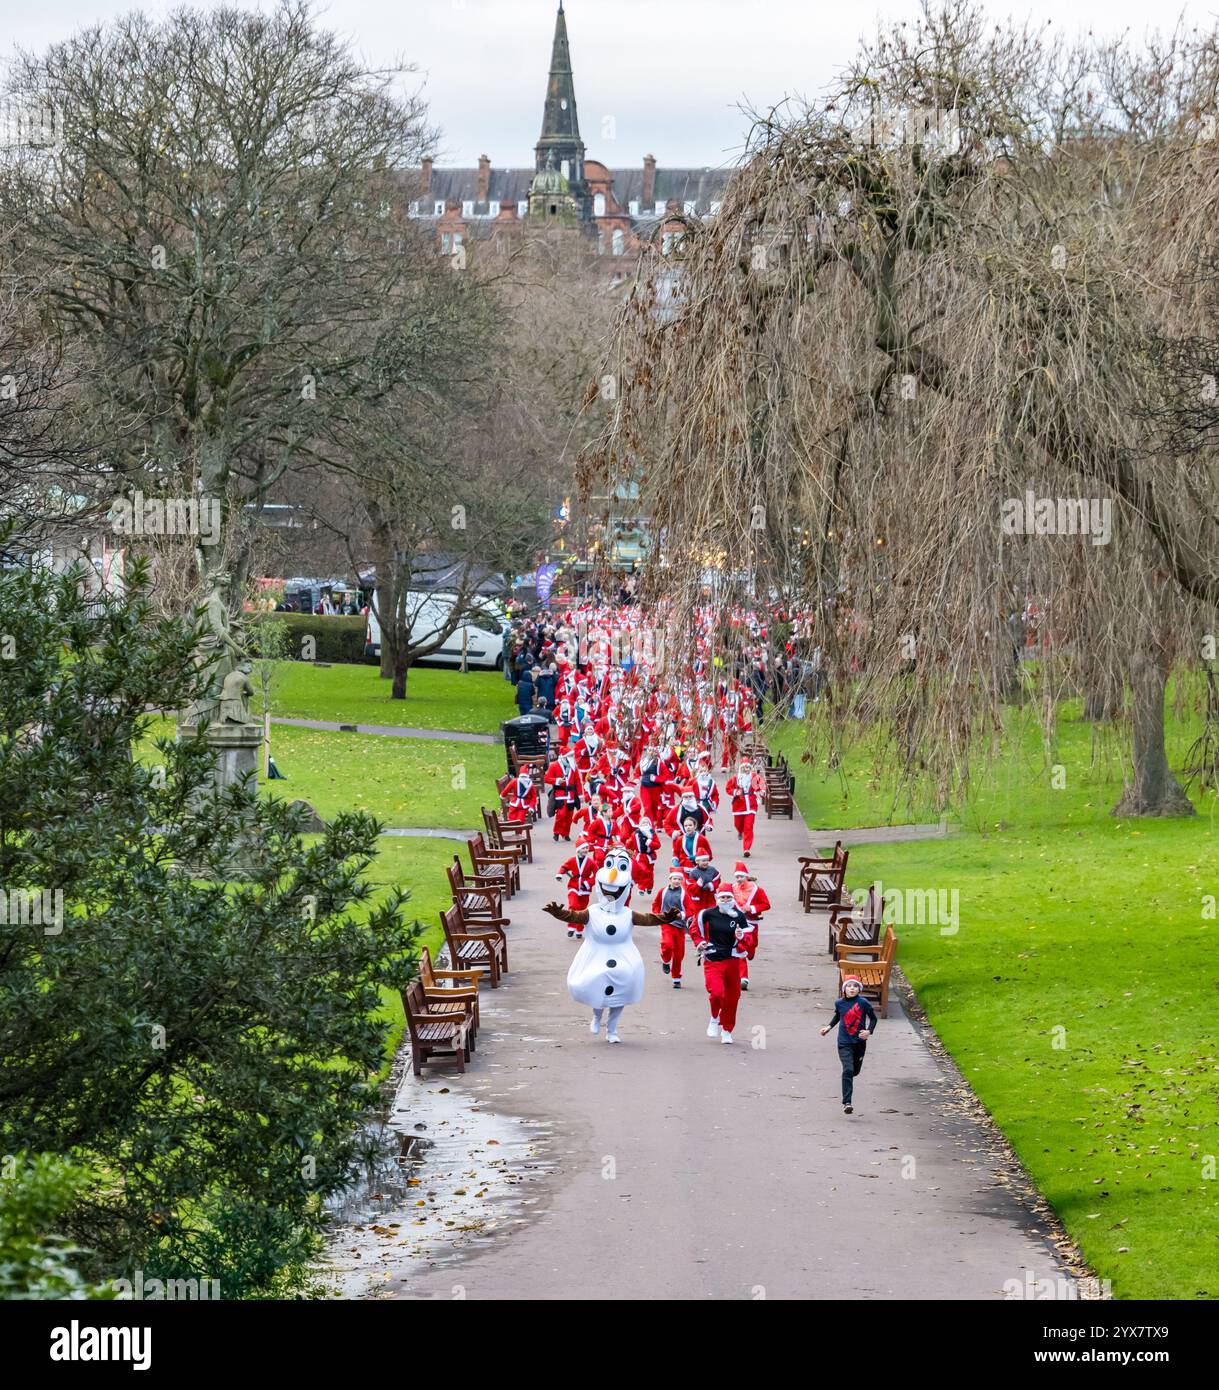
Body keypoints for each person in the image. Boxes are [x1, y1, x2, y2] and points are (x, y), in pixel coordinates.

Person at [689, 886, 756, 1045]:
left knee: (732, 998)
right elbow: (694, 930)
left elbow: (749, 940)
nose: (725, 900)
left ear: (732, 899)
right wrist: (700, 943)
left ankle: (727, 1030)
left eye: (728, 898)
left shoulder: (739, 916)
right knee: (717, 993)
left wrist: (740, 937)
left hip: (732, 960)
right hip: (713, 959)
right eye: (723, 898)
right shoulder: (707, 914)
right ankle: (714, 1018)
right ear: (717, 898)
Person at [820, 976, 877, 1114]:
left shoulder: (863, 1003)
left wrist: (869, 1031)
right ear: (844, 989)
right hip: (844, 1043)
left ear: (859, 990)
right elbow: (838, 1016)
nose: (852, 988)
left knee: (855, 1071)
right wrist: (828, 1027)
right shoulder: (839, 1003)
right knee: (848, 1070)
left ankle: (850, 1079)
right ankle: (847, 1102)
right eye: (849, 986)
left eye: (855, 986)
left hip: (859, 1043)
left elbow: (874, 1018)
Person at [730, 860, 770, 991]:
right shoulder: (732, 889)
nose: (739, 879)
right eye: (737, 877)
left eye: (741, 877)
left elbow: (766, 905)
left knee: (751, 945)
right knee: (740, 948)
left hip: (752, 922)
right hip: (737, 923)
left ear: (746, 876)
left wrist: (752, 908)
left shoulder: (757, 890)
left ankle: (751, 951)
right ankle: (743, 979)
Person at [652, 867, 688, 988]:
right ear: (670, 879)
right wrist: (658, 915)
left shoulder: (684, 894)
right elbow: (656, 904)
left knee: (679, 954)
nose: (677, 881)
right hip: (667, 923)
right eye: (674, 878)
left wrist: (682, 915)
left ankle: (676, 977)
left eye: (679, 879)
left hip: (680, 926)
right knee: (667, 944)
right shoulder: (663, 891)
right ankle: (666, 960)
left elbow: (691, 909)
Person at [725, 758, 764, 857]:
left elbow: (761, 785)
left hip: (751, 805)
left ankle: (746, 849)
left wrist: (762, 791)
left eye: (748, 767)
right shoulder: (736, 778)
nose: (746, 769)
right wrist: (735, 792)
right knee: (737, 824)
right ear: (741, 768)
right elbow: (728, 788)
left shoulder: (754, 777)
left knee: (748, 827)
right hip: (739, 805)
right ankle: (739, 831)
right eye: (744, 767)